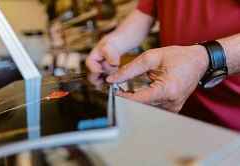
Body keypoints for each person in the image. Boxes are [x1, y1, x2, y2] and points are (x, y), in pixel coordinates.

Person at [86, 0, 240, 130]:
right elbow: (145, 12)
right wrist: (113, 44)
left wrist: (205, 58)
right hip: (182, 119)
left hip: (232, 123)